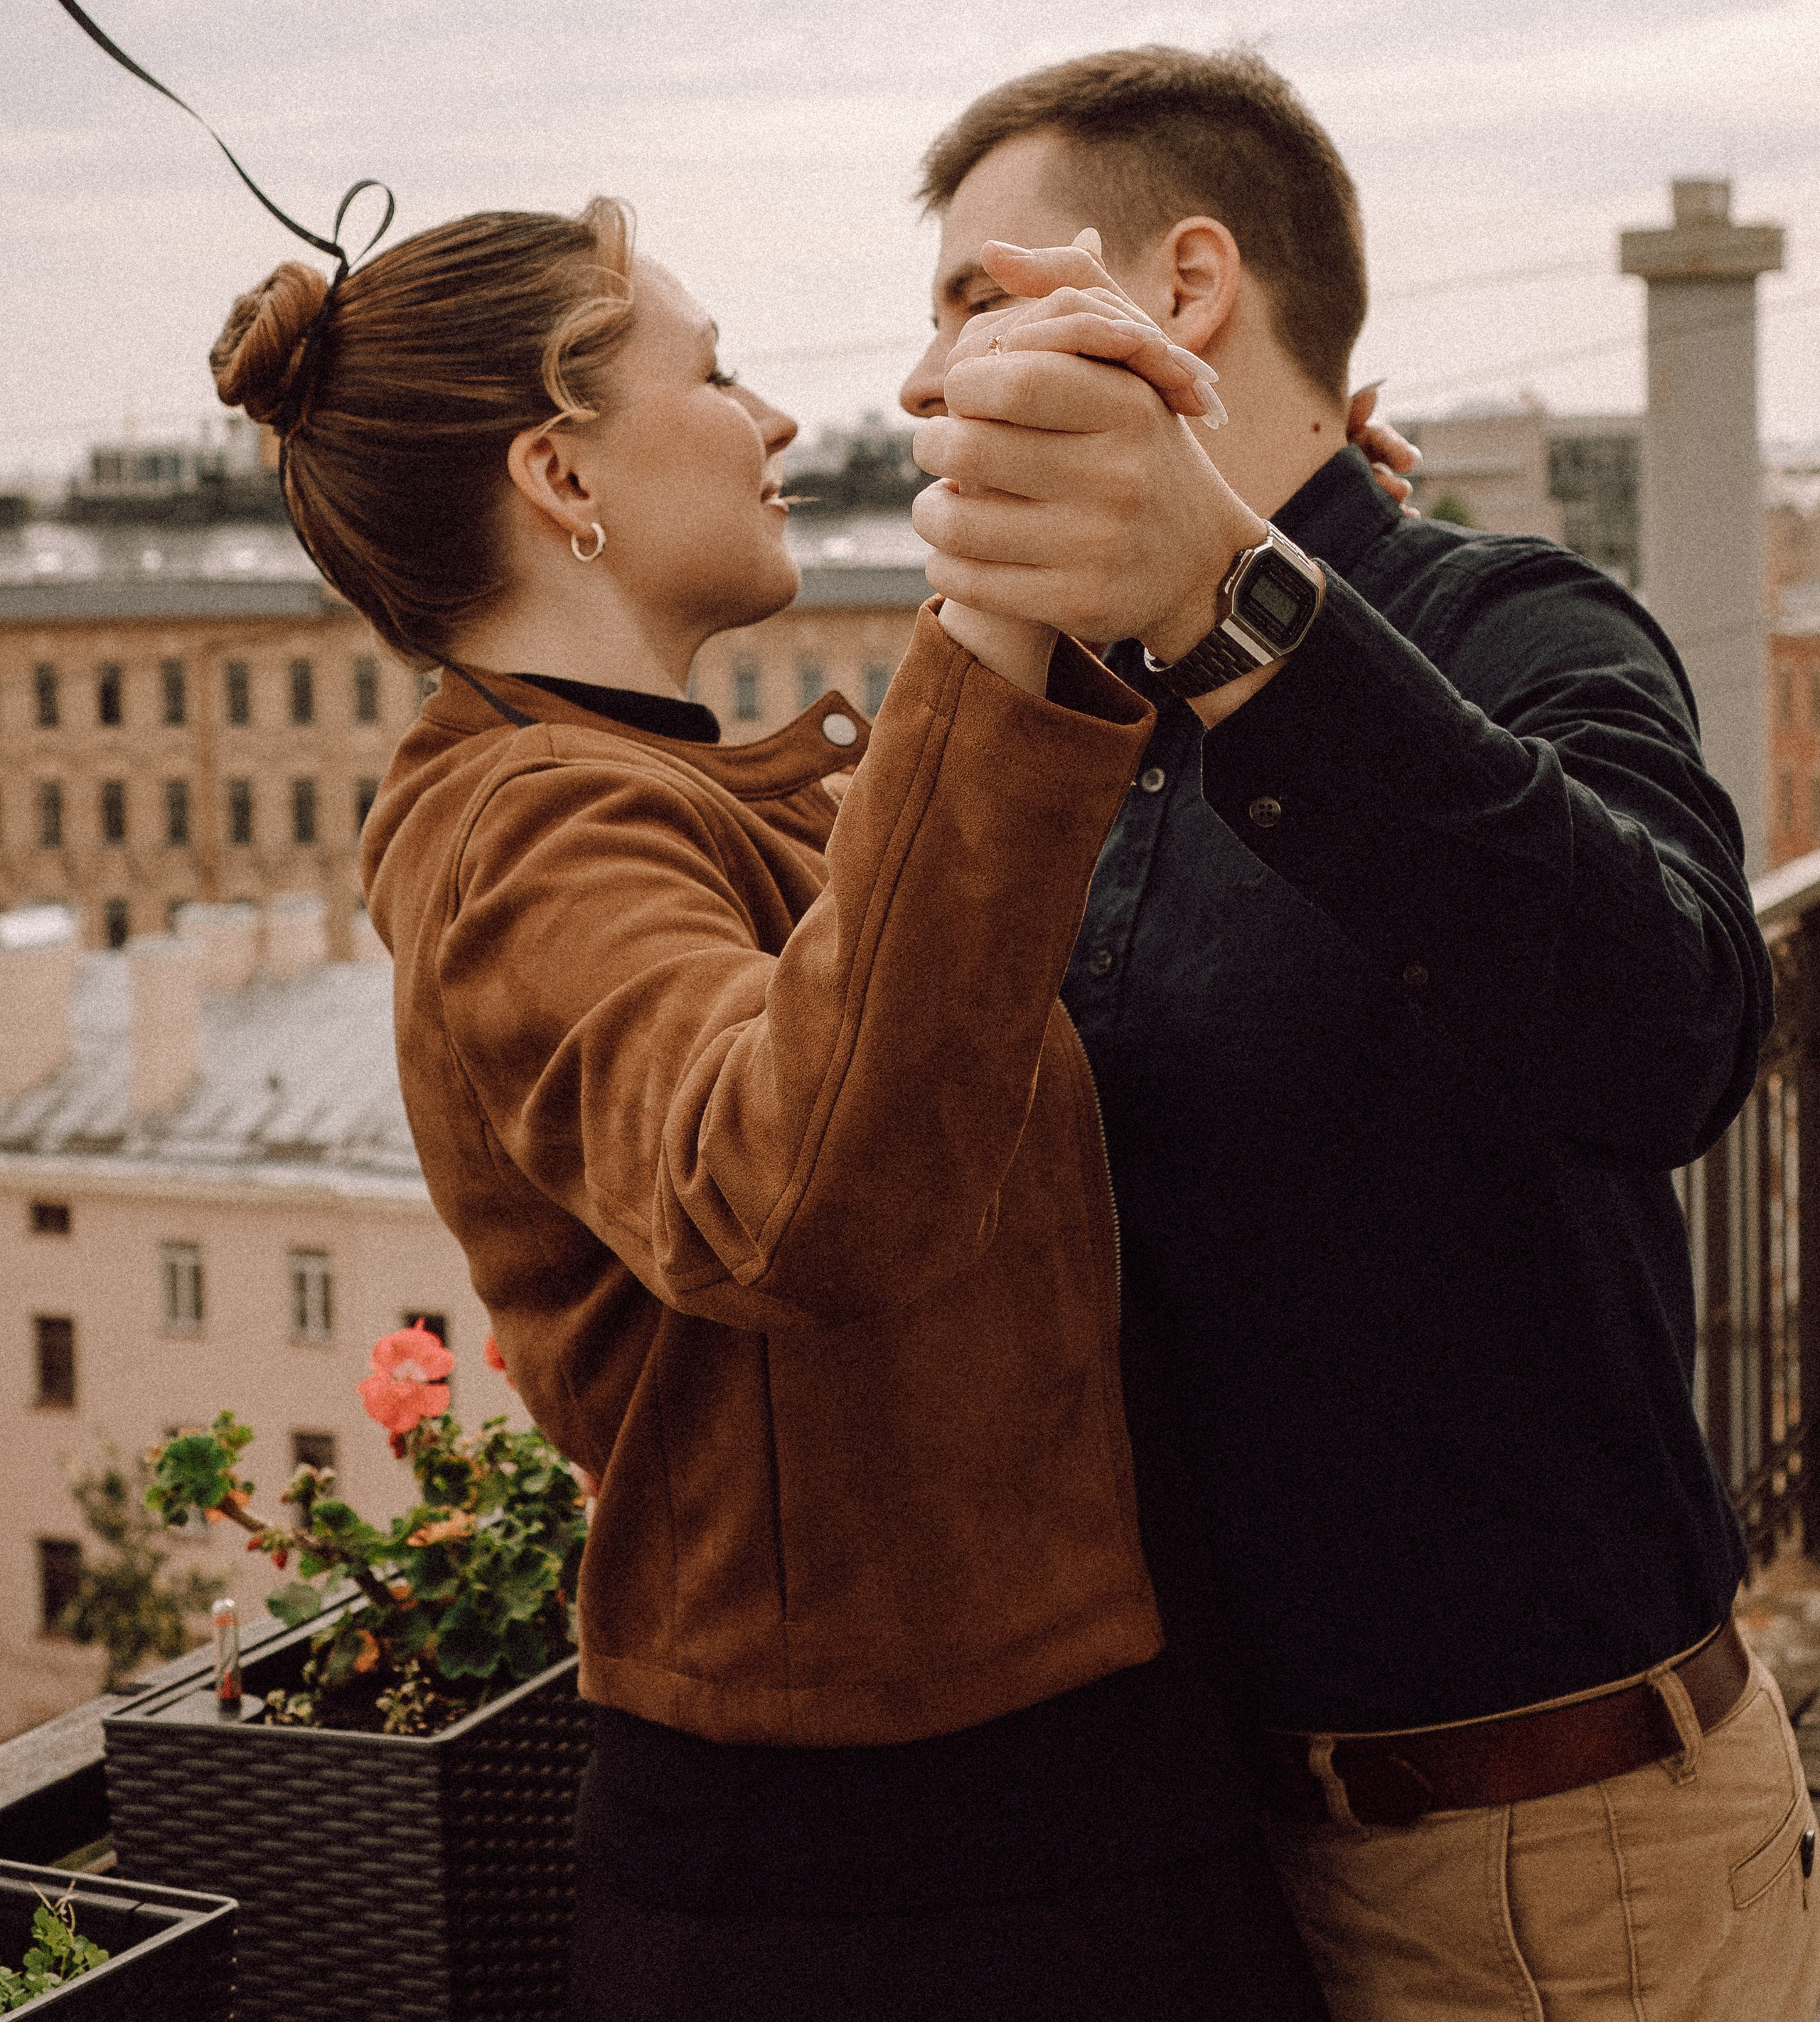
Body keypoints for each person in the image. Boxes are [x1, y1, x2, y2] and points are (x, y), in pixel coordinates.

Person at [203, 196, 1332, 2022]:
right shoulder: (532, 827)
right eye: (716, 374)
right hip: (879, 1874)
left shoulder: (695, 797)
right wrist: (993, 598)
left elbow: (935, 985)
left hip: (1010, 1797)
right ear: (561, 473)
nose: (777, 420)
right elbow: (794, 1183)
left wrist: (1244, 539)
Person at [899, 45, 1820, 2022]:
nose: (921, 377)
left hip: (1550, 1878)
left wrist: (1239, 605)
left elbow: (1677, 1031)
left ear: (1187, 286)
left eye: (977, 298)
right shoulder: (1079, 723)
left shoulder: (1515, 626)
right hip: (1194, 1862)